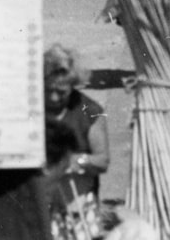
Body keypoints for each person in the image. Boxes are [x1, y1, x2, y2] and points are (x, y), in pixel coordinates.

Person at [43, 44, 109, 220]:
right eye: (48, 90)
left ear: (73, 85)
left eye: (61, 92)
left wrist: (74, 162)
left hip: (77, 203)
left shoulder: (91, 111)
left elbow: (102, 160)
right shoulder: (30, 109)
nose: (53, 98)